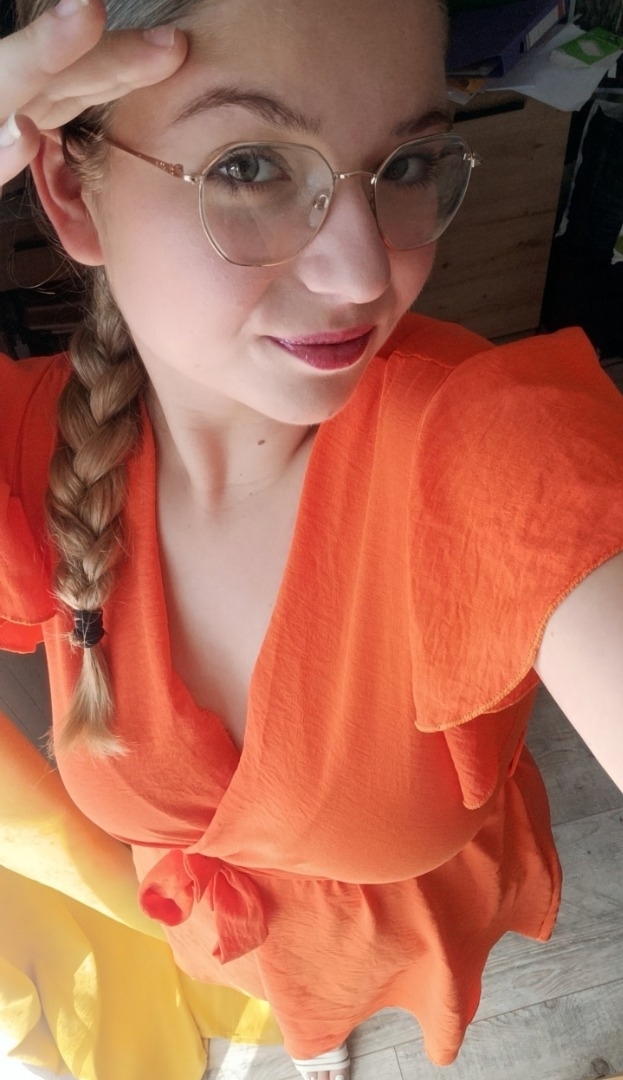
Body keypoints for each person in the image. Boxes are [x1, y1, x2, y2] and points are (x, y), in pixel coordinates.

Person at [1, 1, 623, 1079]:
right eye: (248, 167)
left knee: (347, 997)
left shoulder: (487, 443)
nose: (365, 274)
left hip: (399, 921)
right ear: (67, 187)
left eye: (405, 163)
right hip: (223, 929)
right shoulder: (30, 445)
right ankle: (307, 1034)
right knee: (293, 1014)